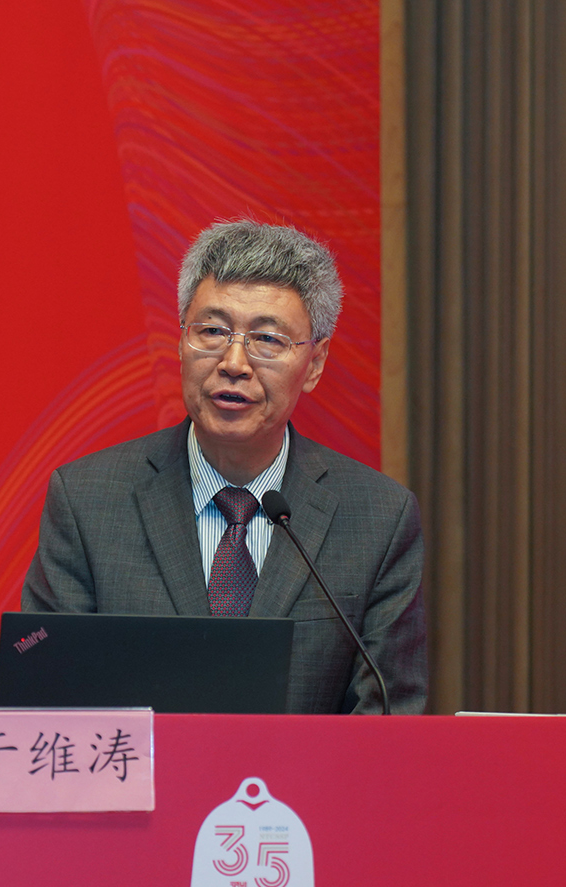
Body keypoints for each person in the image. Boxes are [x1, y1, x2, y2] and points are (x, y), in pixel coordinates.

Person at [22, 220, 427, 714]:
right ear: (180, 341)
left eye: (268, 339)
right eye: (212, 331)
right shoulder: (88, 501)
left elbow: (386, 724)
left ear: (316, 363)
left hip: (299, 770)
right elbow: (47, 706)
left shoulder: (378, 519)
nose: (234, 362)